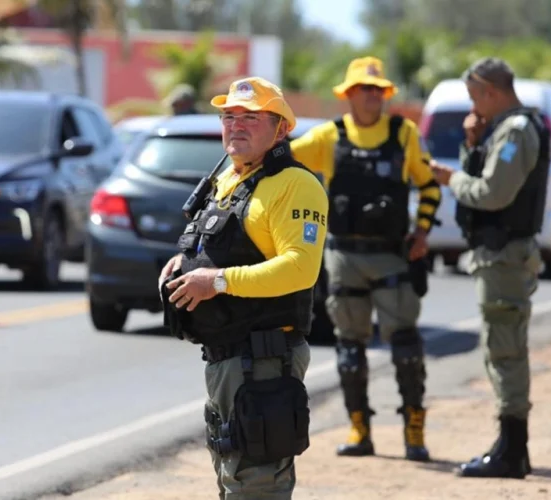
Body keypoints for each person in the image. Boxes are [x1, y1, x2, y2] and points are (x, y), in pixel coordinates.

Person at [158, 76, 328, 499]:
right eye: (229, 116)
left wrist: (216, 281)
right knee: (234, 475)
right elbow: (223, 244)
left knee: (257, 484)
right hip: (227, 358)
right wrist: (185, 261)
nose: (236, 125)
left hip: (264, 360)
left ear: (281, 128)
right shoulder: (231, 179)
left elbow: (300, 268)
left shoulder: (295, 184)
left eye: (251, 117)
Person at [289, 56, 442, 462]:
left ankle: (414, 430)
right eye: (364, 90)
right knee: (350, 350)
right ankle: (360, 430)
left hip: (392, 254)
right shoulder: (328, 136)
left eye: (378, 90)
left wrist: (422, 233)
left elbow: (429, 187)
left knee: (406, 347)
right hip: (344, 255)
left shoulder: (403, 133)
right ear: (349, 95)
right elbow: (284, 161)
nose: (373, 96)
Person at [430, 57, 548, 479]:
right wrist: (471, 143)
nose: (473, 106)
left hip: (504, 258)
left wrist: (452, 178)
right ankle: (510, 444)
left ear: (490, 91)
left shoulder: (516, 130)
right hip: (497, 258)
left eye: (474, 97)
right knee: (500, 350)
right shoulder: (503, 129)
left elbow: (492, 193)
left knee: (505, 353)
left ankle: (512, 450)